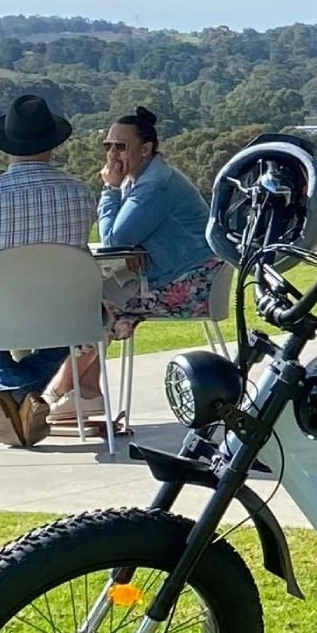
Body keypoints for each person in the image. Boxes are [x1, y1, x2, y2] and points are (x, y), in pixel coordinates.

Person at [46, 106, 223, 423]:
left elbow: (113, 240)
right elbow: (127, 238)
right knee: (100, 298)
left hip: (192, 285)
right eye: (108, 146)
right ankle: (85, 393)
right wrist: (138, 244)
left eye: (121, 146)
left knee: (97, 305)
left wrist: (109, 189)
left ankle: (57, 392)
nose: (112, 154)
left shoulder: (154, 185)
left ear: (146, 149)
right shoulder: (143, 180)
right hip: (178, 276)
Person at [0, 94, 93, 449]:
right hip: (67, 314)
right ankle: (24, 398)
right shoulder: (80, 193)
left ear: (7, 146)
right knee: (93, 317)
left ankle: (14, 394)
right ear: (53, 144)